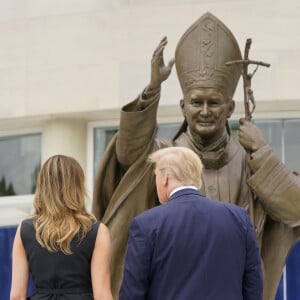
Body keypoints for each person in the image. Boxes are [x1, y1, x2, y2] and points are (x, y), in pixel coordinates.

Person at [92, 12, 300, 300]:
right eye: (196, 102)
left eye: (213, 102)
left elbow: (296, 210)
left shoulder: (252, 164)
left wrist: (263, 154)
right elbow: (128, 153)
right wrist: (152, 90)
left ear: (229, 109)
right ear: (182, 106)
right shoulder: (163, 159)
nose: (204, 111)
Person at [119, 146, 263, 300]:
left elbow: (132, 292)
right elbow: (253, 284)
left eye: (155, 176)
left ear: (165, 178)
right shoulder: (239, 218)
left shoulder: (145, 224)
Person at [10, 155, 113, 300]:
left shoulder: (24, 230)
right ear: (78, 187)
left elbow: (17, 296)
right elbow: (102, 295)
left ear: (43, 186)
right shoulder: (97, 231)